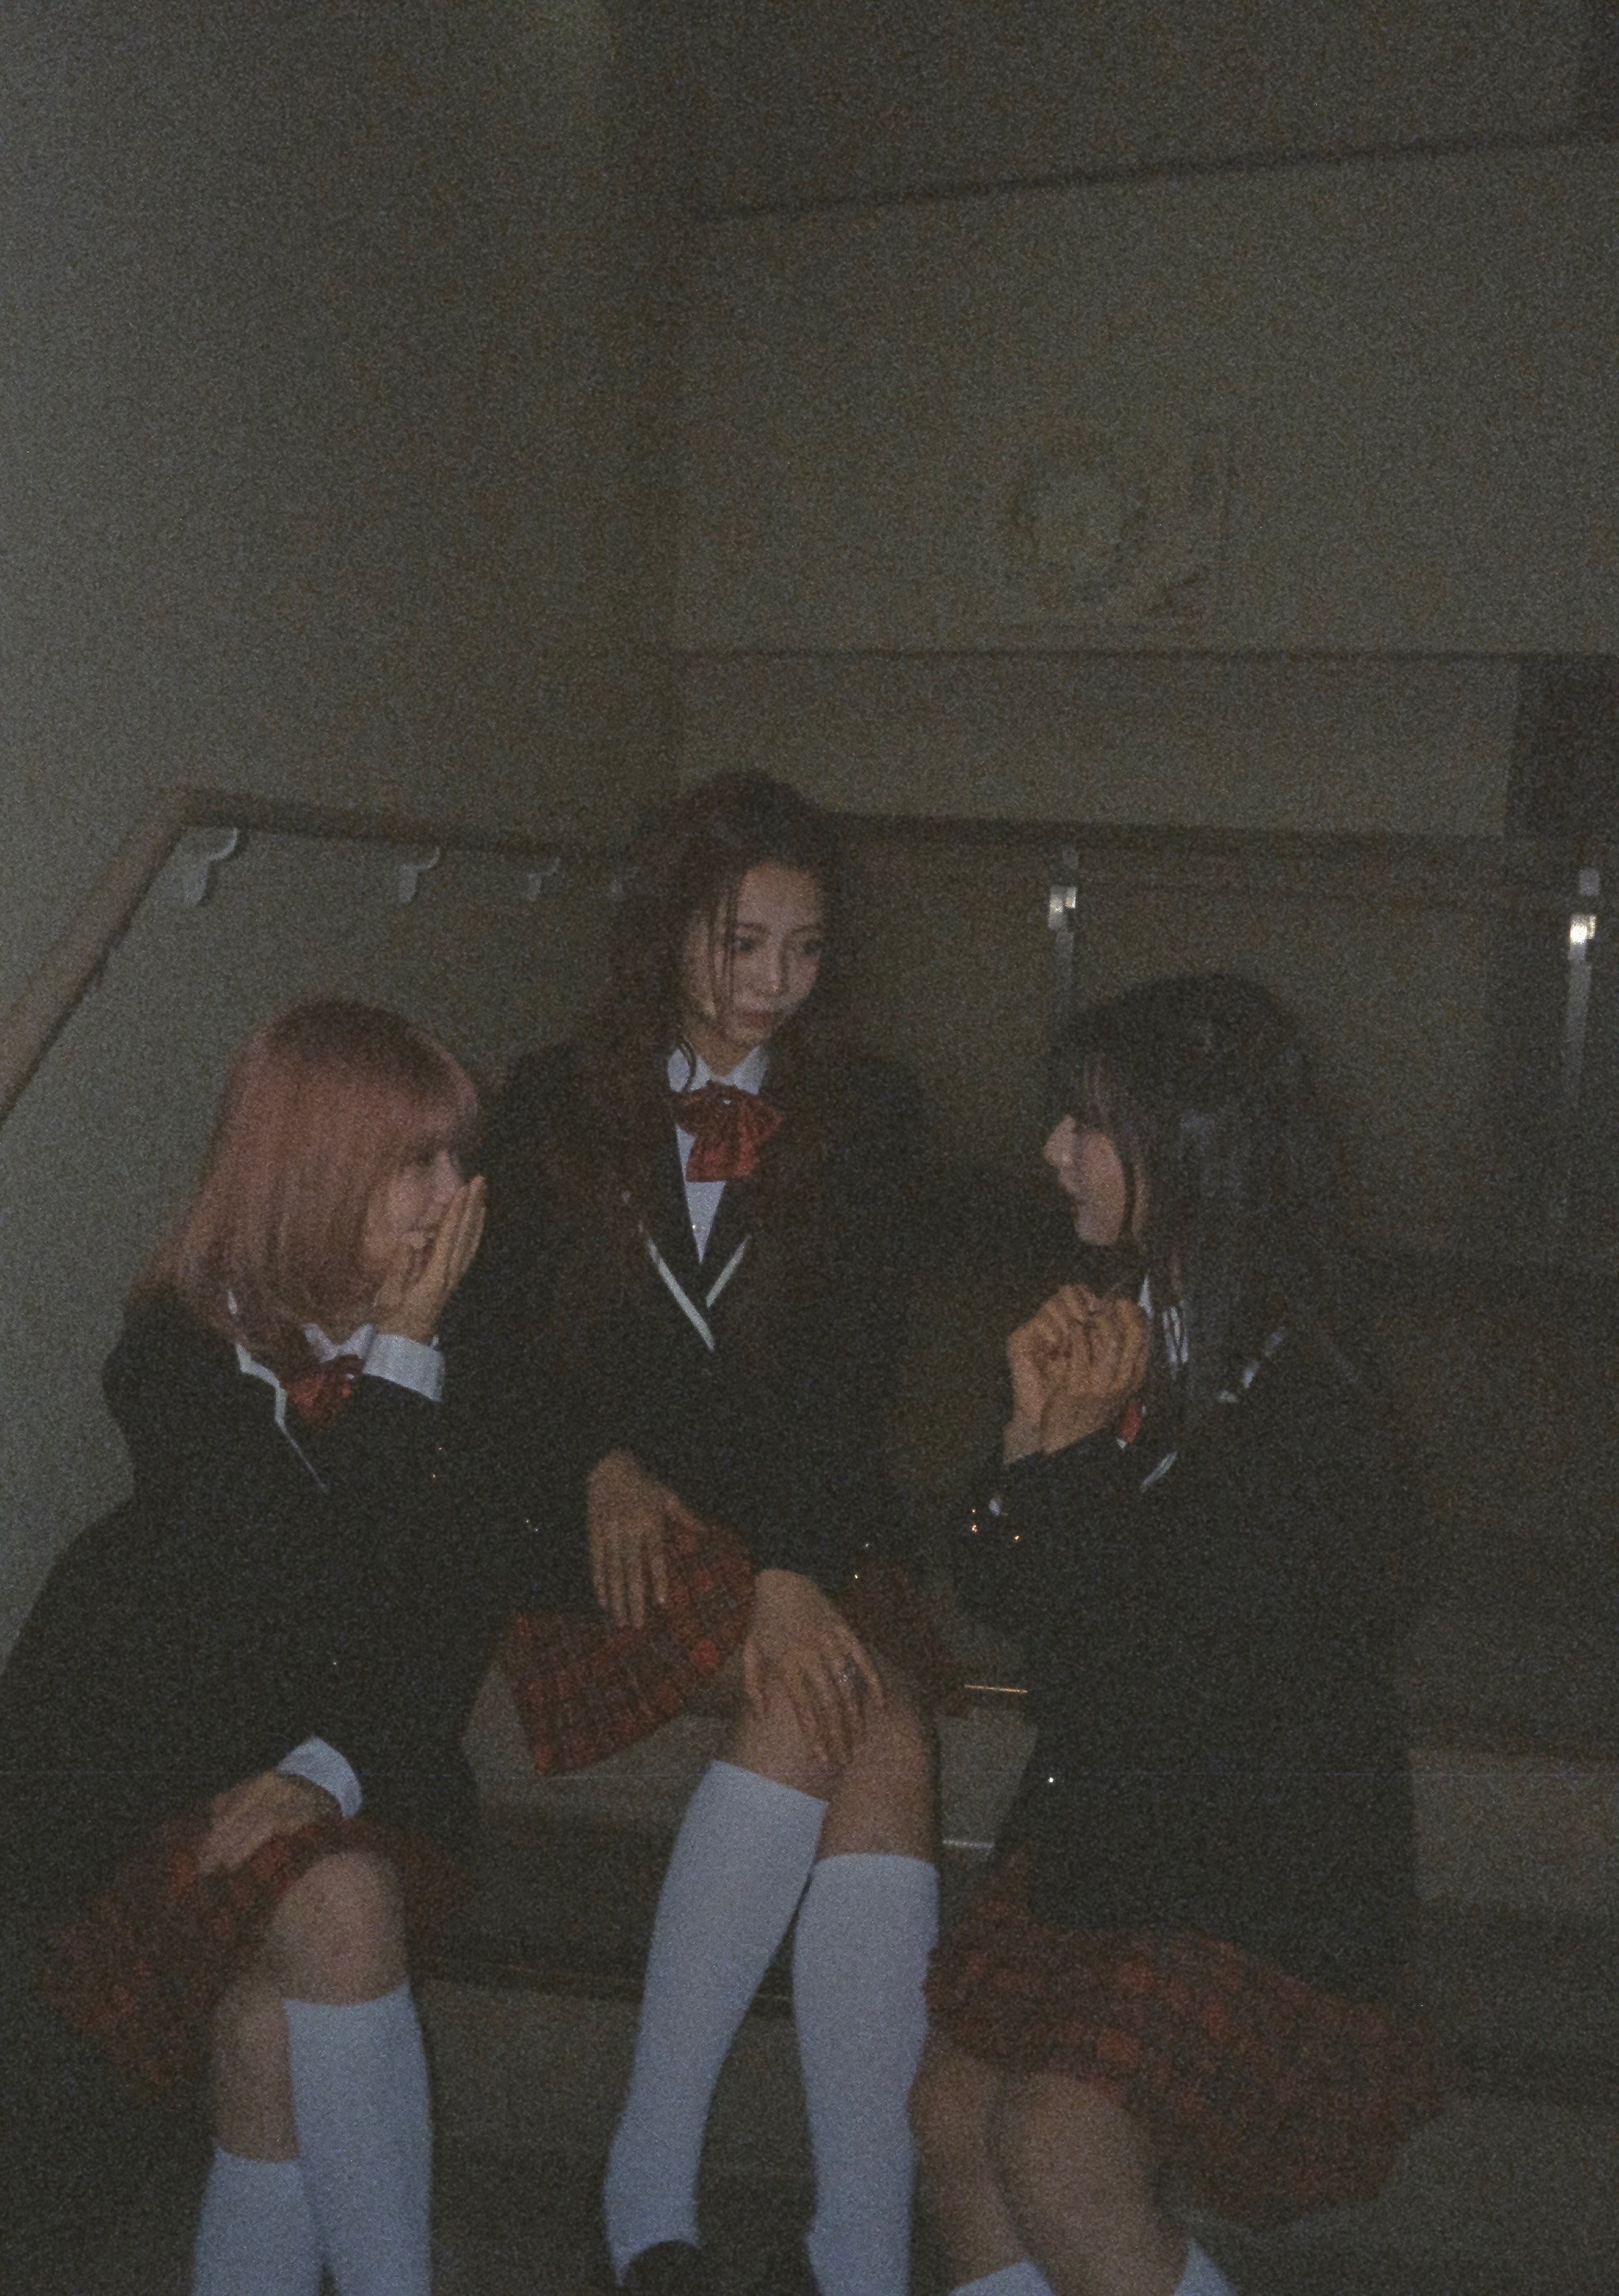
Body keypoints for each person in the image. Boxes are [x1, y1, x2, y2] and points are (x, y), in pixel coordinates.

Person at [459, 772, 943, 2296]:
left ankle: (814, 2219)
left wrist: (790, 1565)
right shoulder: (554, 1099)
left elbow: (852, 1380)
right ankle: (714, 2188)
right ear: (669, 929)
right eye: (742, 942)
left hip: (803, 1518)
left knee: (875, 1728)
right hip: (615, 1532)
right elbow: (492, 1348)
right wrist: (591, 1461)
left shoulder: (868, 1115)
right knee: (847, 1710)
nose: (773, 984)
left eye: (806, 948)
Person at [909, 975, 1447, 2296]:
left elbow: (1142, 1664)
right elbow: (995, 1581)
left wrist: (1073, 1466)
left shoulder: (1308, 1395)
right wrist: (1031, 1438)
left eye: (1090, 1124)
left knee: (1058, 2140)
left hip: (1262, 1864)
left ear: (1194, 1150)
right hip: (1121, 1829)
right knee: (951, 2116)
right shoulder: (1123, 1313)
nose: (1053, 1150)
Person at [0, 999, 517, 2296]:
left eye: (456, 1158)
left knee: (318, 1943)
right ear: (317, 1168)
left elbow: (441, 1618)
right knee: (308, 1959)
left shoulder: (471, 1346)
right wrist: (401, 1361)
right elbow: (309, 1584)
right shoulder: (175, 1354)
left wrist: (328, 1769)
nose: (453, 1195)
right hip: (140, 1778)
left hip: (356, 1763)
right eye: (416, 1162)